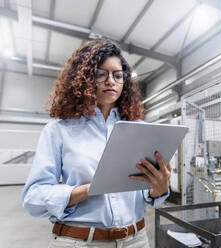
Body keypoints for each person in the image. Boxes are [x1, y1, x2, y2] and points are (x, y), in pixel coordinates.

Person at [22, 39, 171, 248]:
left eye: (118, 76)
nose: (111, 81)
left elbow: (144, 193)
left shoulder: (138, 128)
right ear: (84, 78)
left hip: (136, 240)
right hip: (80, 242)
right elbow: (33, 197)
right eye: (101, 74)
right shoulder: (59, 130)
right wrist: (88, 190)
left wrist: (159, 188)